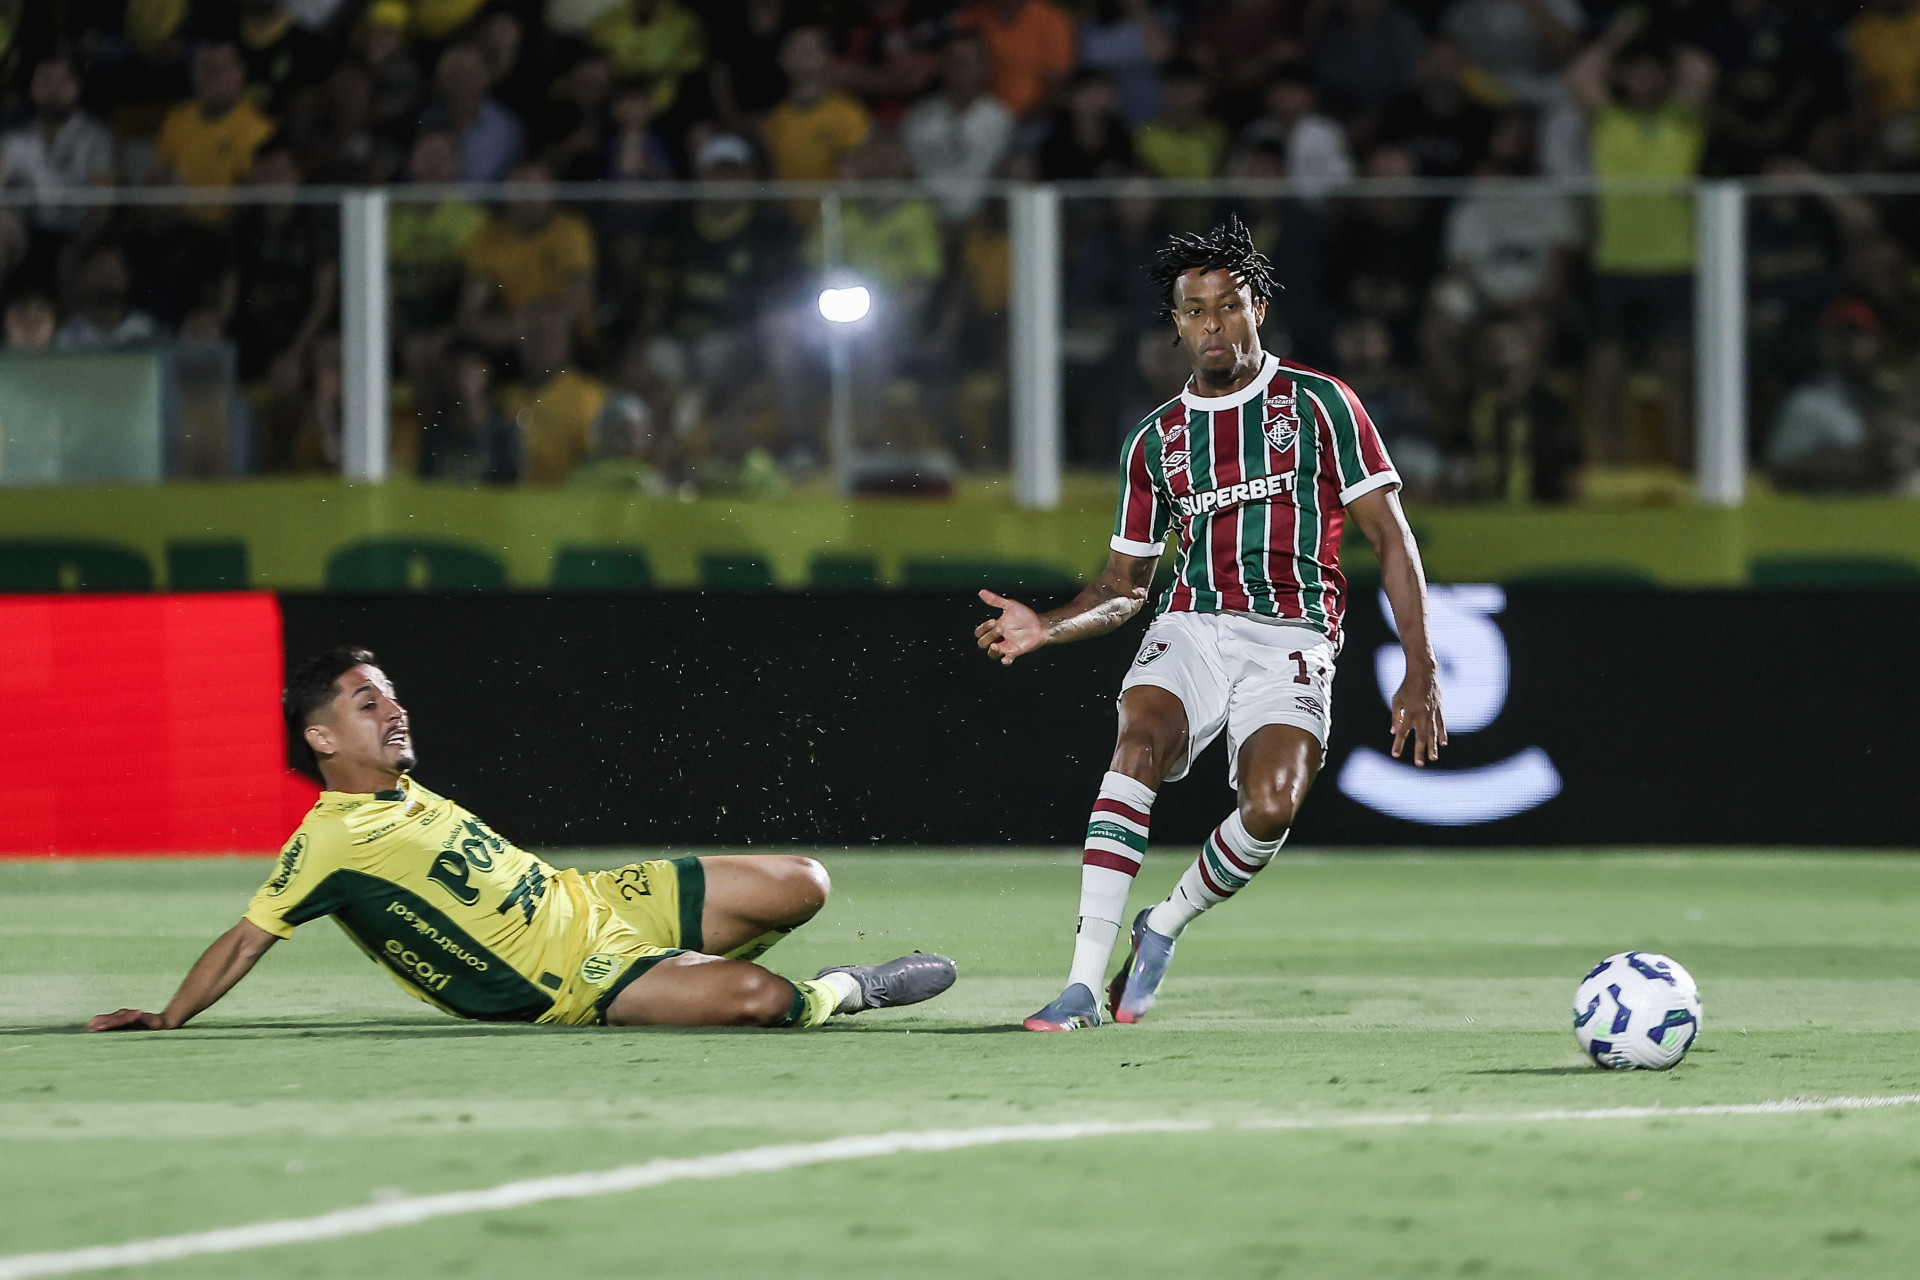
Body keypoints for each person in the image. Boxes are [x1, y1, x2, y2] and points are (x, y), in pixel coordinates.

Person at [974, 217, 1445, 1031]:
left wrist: (1420, 665)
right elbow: (1127, 585)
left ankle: (1164, 923)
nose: (1213, 325)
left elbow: (1390, 538)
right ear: (1177, 323)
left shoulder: (1321, 403)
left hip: (1294, 635)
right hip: (1191, 624)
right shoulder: (1155, 441)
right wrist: (1048, 626)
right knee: (1138, 742)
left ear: (1258, 306)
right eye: (1196, 311)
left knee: (1272, 806)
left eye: (1228, 306)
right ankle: (1083, 983)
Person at [87, 648, 957, 1033]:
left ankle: (688, 977)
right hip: (572, 976)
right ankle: (840, 991)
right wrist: (167, 1015)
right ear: (320, 740)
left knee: (803, 879)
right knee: (767, 1002)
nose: (394, 710)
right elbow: (248, 936)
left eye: (390, 695)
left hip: (594, 902)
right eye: (367, 703)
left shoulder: (400, 792)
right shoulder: (329, 843)